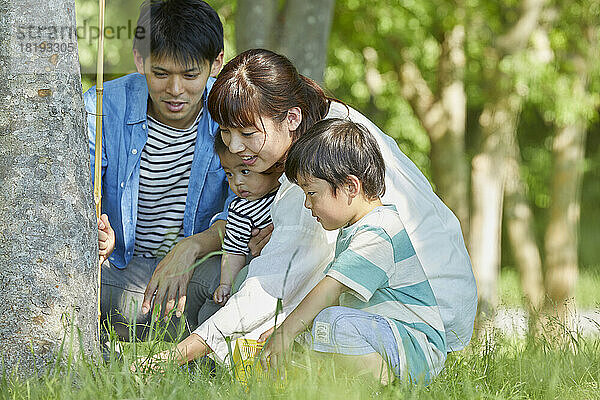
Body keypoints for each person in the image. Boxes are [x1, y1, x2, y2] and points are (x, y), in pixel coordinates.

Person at [138, 49, 476, 381]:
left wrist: (178, 354)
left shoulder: (321, 168)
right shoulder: (328, 128)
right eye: (226, 132)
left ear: (292, 118)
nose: (235, 147)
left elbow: (272, 288)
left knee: (253, 310)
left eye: (247, 133)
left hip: (415, 317)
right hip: (421, 303)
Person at [85, 0, 238, 341]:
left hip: (197, 269)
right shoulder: (101, 106)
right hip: (120, 270)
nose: (175, 90)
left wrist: (193, 245)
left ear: (216, 63)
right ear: (140, 61)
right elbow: (76, 192)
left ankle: (198, 362)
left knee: (234, 284)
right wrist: (93, 229)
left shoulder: (232, 113)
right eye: (161, 73)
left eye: (190, 74)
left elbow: (248, 207)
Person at [258, 118, 446, 385]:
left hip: (416, 348)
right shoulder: (357, 230)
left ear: (350, 187)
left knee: (332, 323)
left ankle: (386, 388)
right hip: (389, 338)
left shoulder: (379, 232)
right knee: (318, 331)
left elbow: (330, 290)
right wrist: (290, 332)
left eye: (311, 193)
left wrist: (287, 331)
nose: (307, 204)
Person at [212, 135, 282, 306]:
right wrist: (226, 284)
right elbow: (234, 250)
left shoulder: (290, 190)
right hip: (261, 273)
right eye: (229, 174)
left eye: (244, 171)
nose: (237, 182)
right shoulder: (241, 209)